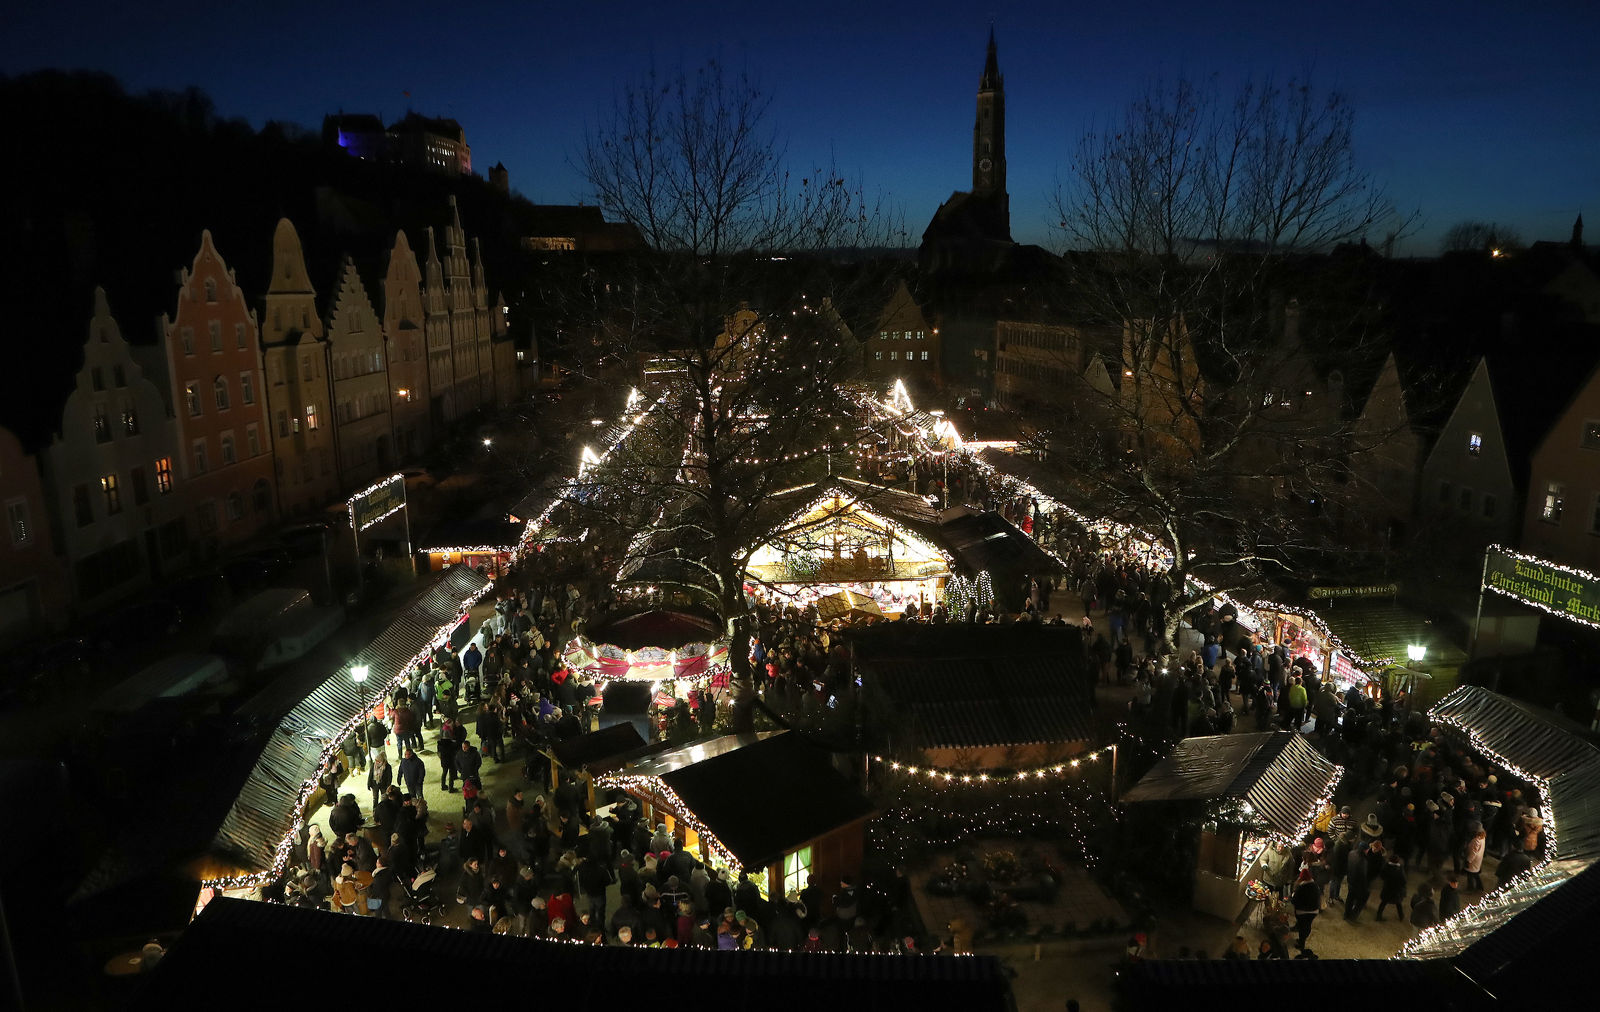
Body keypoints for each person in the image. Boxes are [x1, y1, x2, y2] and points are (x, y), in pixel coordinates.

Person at [1291, 869, 1320, 950]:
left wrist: (1293, 896)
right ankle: (1301, 938)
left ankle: (1301, 944)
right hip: (1314, 912)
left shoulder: (1301, 888)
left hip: (1302, 912)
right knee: (1307, 926)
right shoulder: (1315, 886)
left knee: (1303, 928)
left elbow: (1294, 901)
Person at [1375, 852, 1407, 922]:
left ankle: (1378, 916)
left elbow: (1382, 876)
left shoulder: (1386, 867)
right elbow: (1404, 881)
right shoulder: (1400, 870)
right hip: (1396, 890)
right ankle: (1401, 916)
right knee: (1398, 903)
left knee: (1383, 902)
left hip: (1387, 888)